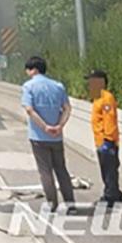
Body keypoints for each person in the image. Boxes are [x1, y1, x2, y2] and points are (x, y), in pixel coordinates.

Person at [21, 56, 75, 213]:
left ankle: (52, 204)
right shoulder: (58, 86)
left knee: (45, 171)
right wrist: (59, 126)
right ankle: (70, 204)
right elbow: (67, 108)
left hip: (38, 137)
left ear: (34, 69)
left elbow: (29, 110)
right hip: (56, 137)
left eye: (28, 69)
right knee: (61, 170)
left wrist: (45, 127)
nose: (27, 72)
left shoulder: (28, 87)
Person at [86, 69, 122, 204]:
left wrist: (108, 140)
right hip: (100, 140)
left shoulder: (106, 98)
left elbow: (109, 119)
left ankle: (110, 196)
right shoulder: (98, 98)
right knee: (108, 169)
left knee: (109, 170)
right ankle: (115, 192)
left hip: (106, 141)